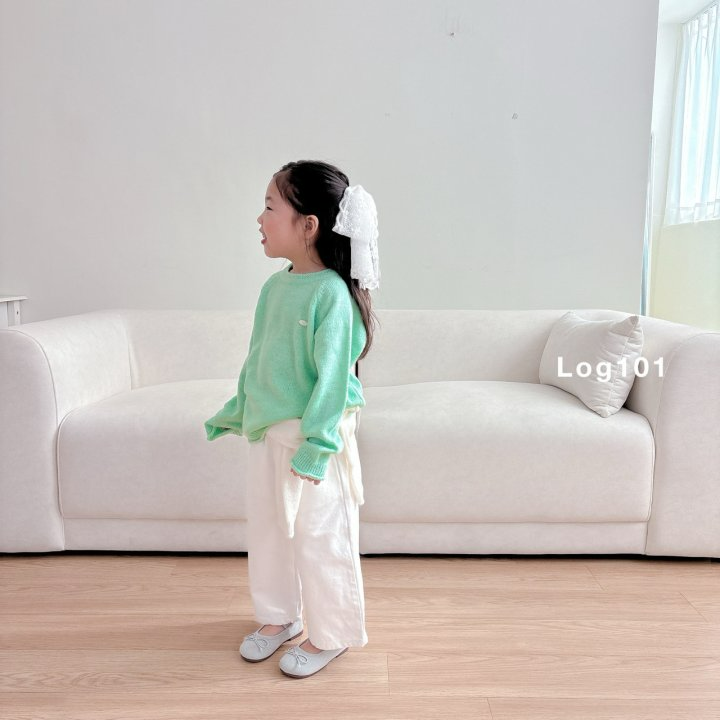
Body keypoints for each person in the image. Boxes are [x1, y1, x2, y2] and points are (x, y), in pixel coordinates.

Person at [204, 159, 380, 679]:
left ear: (309, 225)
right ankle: (280, 617)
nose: (259, 219)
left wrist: (317, 446)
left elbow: (334, 381)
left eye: (269, 207)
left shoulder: (332, 295)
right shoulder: (274, 288)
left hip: (314, 438)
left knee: (321, 537)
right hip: (270, 432)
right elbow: (260, 361)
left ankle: (332, 634)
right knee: (268, 531)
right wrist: (240, 410)